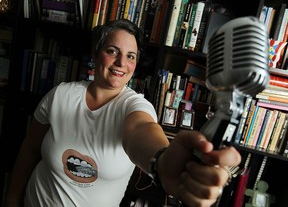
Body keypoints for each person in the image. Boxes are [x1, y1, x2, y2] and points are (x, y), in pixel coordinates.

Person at [4, 19, 241, 207]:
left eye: (131, 56)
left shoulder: (135, 107)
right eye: (112, 51)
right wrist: (12, 199)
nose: (120, 63)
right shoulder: (60, 96)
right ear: (96, 54)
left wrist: (162, 162)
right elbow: (30, 148)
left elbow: (140, 130)